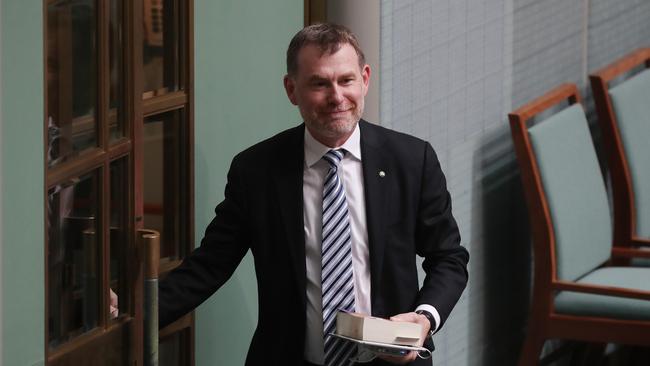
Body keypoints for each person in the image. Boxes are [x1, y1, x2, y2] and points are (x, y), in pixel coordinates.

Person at [159, 23, 469, 366]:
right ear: (292, 90)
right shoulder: (256, 171)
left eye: (346, 80)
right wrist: (132, 313)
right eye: (319, 84)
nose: (337, 97)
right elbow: (209, 266)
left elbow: (449, 258)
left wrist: (424, 319)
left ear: (365, 79)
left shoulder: (412, 160)